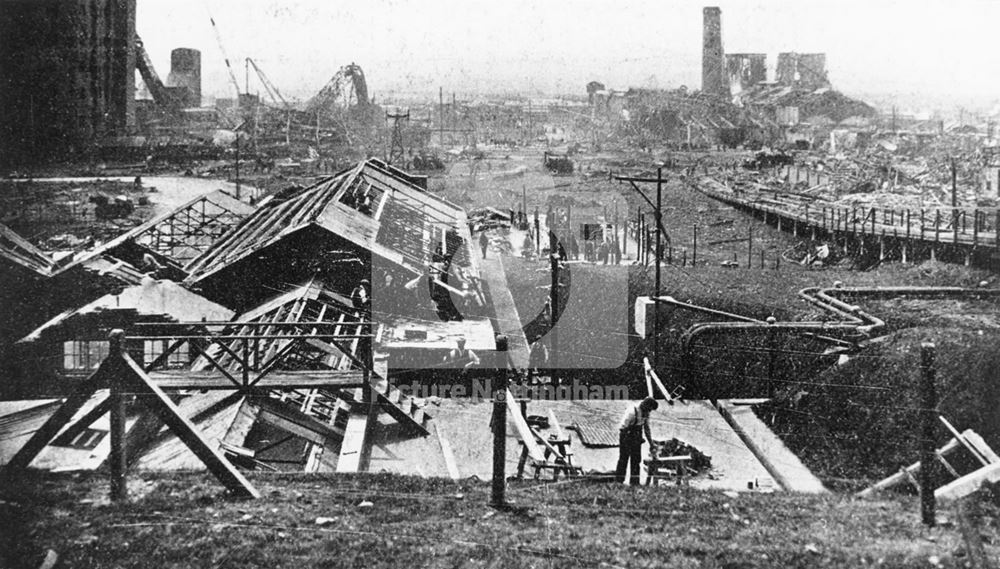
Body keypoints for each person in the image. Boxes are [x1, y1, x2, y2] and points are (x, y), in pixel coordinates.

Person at [615, 397, 659, 485]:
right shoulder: (632, 411)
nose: (649, 412)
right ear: (644, 405)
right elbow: (623, 427)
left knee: (636, 459)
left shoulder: (646, 413)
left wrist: (651, 443)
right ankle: (619, 481)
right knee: (624, 458)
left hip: (637, 435)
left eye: (651, 410)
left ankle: (634, 483)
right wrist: (627, 440)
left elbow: (646, 428)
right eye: (649, 409)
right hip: (626, 434)